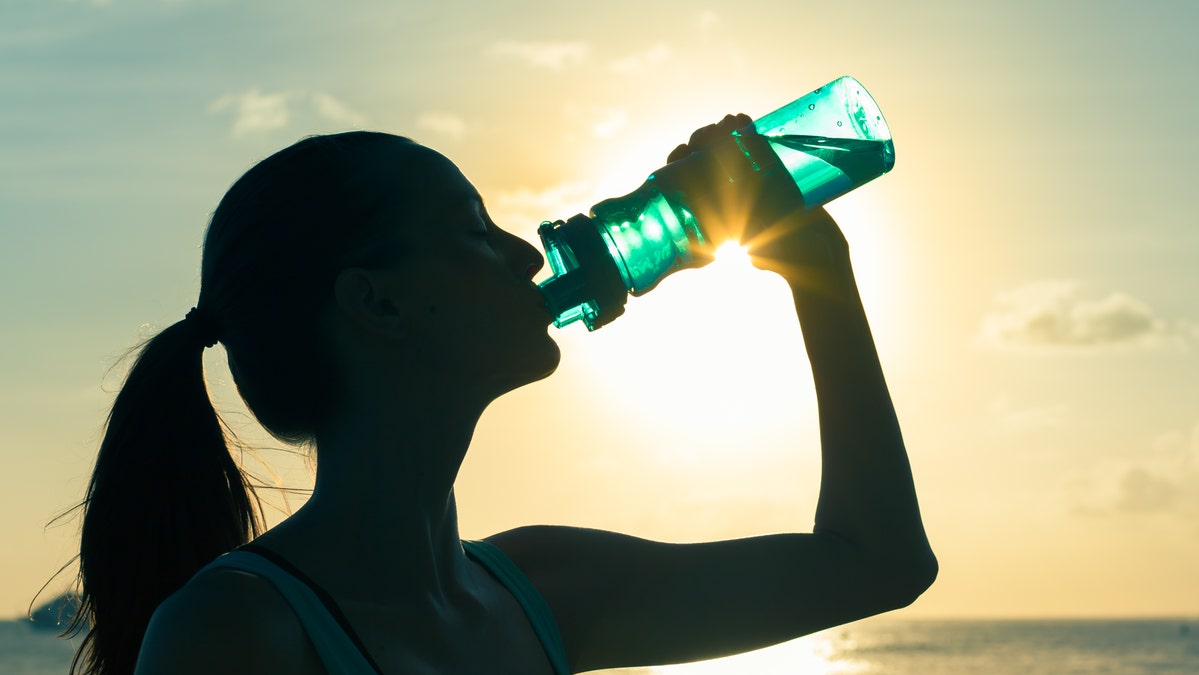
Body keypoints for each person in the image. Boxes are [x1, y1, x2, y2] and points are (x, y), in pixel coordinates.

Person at [68, 115, 936, 674]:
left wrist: (818, 273)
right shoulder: (233, 636)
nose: (525, 254)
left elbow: (880, 563)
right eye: (470, 229)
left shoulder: (543, 588)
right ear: (378, 300)